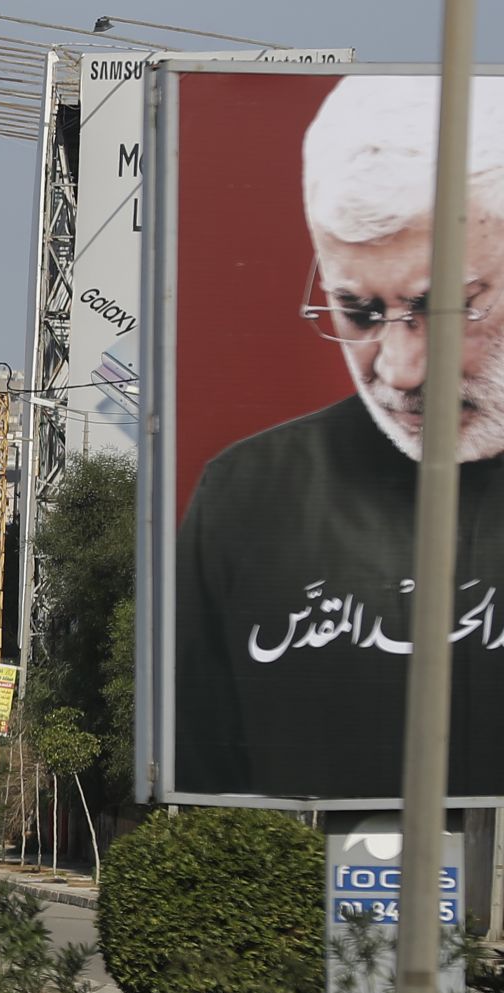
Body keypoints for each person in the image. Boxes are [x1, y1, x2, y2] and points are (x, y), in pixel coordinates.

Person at [175, 75, 504, 799]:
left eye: (448, 307)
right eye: (358, 312)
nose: (401, 368)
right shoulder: (248, 498)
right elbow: (204, 773)